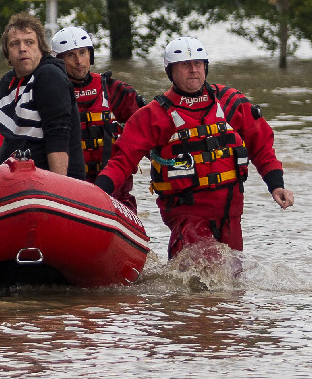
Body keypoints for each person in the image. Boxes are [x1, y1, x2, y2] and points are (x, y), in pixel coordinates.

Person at [94, 35, 292, 261]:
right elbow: (123, 160)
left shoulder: (229, 102)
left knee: (233, 284)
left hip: (230, 214)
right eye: (185, 65)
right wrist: (97, 193)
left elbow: (261, 145)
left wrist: (276, 185)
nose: (193, 70)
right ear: (171, 71)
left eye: (198, 64)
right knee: (200, 275)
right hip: (186, 214)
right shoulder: (154, 115)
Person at [52, 24, 142, 200]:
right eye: (71, 55)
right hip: (72, 185)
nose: (79, 61)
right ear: (58, 60)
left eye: (83, 53)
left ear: (90, 54)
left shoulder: (112, 89)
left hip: (114, 187)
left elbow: (146, 128)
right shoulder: (52, 93)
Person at [0, 11, 79, 174]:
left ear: (41, 50)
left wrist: (57, 190)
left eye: (29, 42)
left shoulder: (49, 76)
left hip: (48, 181)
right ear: (8, 54)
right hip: (11, 177)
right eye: (14, 44)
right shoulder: (6, 83)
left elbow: (58, 136)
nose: (22, 49)